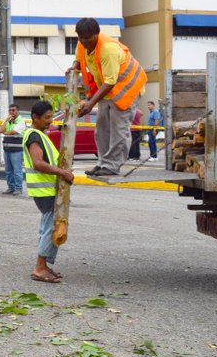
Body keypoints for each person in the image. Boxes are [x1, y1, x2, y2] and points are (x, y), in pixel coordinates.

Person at [69, 17, 148, 177]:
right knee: (101, 129)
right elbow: (79, 59)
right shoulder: (81, 44)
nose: (84, 41)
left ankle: (112, 166)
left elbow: (110, 82)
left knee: (119, 130)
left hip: (126, 89)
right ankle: (102, 163)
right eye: (81, 38)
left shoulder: (108, 49)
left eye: (88, 38)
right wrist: (74, 68)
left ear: (96, 35)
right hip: (106, 89)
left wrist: (90, 103)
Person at [22, 100, 76, 283]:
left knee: (51, 226)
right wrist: (62, 173)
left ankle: (44, 265)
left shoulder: (40, 135)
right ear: (34, 118)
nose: (50, 120)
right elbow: (38, 163)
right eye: (46, 117)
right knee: (50, 228)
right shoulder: (34, 136)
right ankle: (39, 267)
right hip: (44, 191)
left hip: (47, 190)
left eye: (51, 116)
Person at [0, 103, 27, 195]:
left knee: (17, 170)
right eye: (10, 110)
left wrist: (6, 132)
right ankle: (11, 187)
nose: (11, 112)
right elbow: (0, 130)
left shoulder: (21, 121)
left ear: (18, 111)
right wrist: (6, 120)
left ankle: (18, 188)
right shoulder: (8, 121)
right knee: (8, 170)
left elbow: (13, 132)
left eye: (13, 110)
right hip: (7, 149)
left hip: (17, 150)